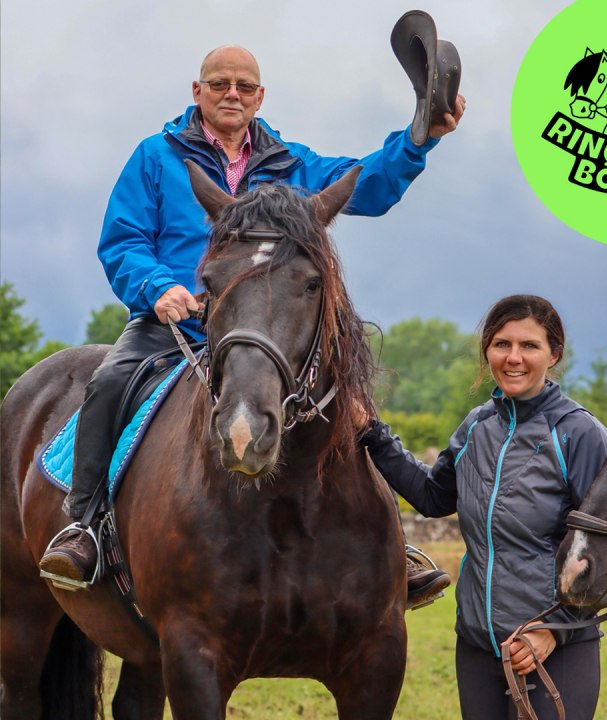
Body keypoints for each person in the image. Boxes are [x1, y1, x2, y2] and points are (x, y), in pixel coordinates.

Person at [38, 45, 465, 601]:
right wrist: (157, 286)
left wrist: (419, 140)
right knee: (108, 383)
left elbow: (369, 183)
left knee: (343, 396)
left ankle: (385, 543)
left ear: (260, 98)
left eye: (243, 86)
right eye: (219, 84)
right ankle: (86, 526)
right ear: (197, 92)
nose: (231, 94)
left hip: (268, 332)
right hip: (177, 326)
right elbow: (124, 240)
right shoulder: (154, 157)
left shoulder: (291, 164)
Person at [361, 295, 607, 720]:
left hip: (553, 651)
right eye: (501, 344)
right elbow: (433, 497)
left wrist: (555, 630)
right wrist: (372, 432)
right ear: (487, 350)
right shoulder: (476, 426)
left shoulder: (580, 434)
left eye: (529, 345)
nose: (513, 357)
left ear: (554, 354)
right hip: (477, 646)